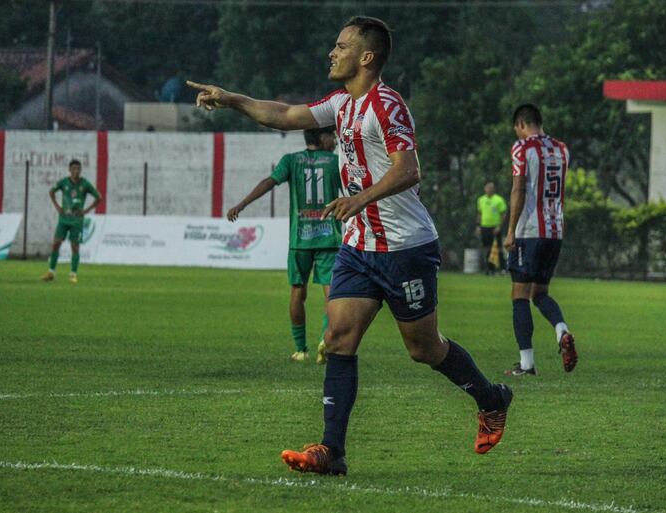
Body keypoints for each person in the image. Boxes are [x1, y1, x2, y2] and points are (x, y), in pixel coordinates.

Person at [188, 15, 512, 476]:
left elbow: (409, 169)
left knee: (423, 349)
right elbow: (283, 115)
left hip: (405, 247)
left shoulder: (388, 105)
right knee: (339, 338)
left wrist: (358, 198)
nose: (331, 52)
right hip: (359, 247)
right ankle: (331, 451)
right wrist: (230, 99)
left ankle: (491, 397)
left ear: (366, 57)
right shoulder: (342, 104)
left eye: (341, 46)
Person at [227, 127, 342, 363]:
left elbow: (269, 182)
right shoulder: (335, 162)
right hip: (328, 237)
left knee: (297, 292)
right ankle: (325, 340)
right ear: (321, 138)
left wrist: (242, 204)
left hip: (300, 239)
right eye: (331, 135)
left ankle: (301, 350)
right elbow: (353, 190)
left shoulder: (291, 160)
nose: (335, 140)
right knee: (332, 293)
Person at [503, 104, 578, 377]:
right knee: (540, 293)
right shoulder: (562, 149)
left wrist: (511, 230)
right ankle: (562, 331)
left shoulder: (522, 149)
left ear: (521, 124)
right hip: (555, 230)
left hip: (529, 231)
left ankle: (526, 365)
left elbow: (518, 188)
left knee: (519, 295)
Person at [41, 159, 101, 284]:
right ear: (69, 170)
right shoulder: (64, 182)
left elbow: (98, 197)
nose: (76, 171)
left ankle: (73, 274)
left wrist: (86, 211)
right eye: (73, 169)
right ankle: (51, 272)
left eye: (78, 169)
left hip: (77, 221)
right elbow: (51, 191)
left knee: (75, 246)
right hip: (64, 219)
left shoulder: (84, 184)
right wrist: (58, 207)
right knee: (56, 243)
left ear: (80, 170)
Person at [476, 181, 507, 274]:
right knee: (487, 248)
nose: (489, 189)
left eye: (491, 188)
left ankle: (503, 268)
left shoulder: (499, 200)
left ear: (494, 189)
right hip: (485, 227)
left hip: (495, 227)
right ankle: (490, 269)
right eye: (487, 187)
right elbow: (479, 213)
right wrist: (478, 226)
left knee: (498, 248)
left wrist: (499, 226)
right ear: (485, 189)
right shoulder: (481, 200)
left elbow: (504, 214)